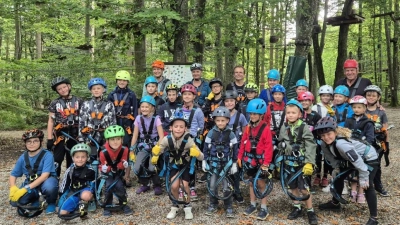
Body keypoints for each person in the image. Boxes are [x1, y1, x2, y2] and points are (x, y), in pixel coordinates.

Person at [315, 117, 379, 225]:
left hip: (368, 158)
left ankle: (374, 217)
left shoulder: (341, 144)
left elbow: (358, 161)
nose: (326, 137)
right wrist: (336, 168)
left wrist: (363, 177)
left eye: (329, 134)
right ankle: (335, 203)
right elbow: (330, 157)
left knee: (367, 185)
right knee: (338, 178)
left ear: (335, 131)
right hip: (352, 159)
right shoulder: (323, 143)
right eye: (323, 136)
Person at [151, 117, 204, 220]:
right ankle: (174, 206)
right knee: (174, 186)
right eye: (176, 127)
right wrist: (155, 152)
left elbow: (201, 156)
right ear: (171, 128)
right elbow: (158, 150)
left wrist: (196, 153)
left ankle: (187, 206)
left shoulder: (188, 140)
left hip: (185, 165)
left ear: (185, 129)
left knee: (184, 186)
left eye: (181, 127)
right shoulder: (167, 139)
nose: (178, 129)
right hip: (174, 165)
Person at [278, 99, 318, 225]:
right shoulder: (284, 127)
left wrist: (309, 162)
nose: (290, 115)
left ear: (300, 114)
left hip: (302, 164)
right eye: (288, 113)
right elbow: (280, 142)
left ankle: (310, 210)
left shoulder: (304, 127)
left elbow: (311, 145)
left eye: (293, 113)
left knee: (304, 188)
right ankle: (297, 207)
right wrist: (280, 160)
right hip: (289, 163)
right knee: (292, 186)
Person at [237, 99, 273, 220]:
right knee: (252, 182)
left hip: (262, 162)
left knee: (261, 183)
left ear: (261, 115)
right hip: (250, 160)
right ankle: (253, 204)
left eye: (255, 114)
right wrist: (239, 157)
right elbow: (243, 142)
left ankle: (264, 207)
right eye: (250, 114)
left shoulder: (265, 129)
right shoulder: (248, 127)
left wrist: (266, 163)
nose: (252, 116)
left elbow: (268, 147)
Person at [9, 129, 58, 215]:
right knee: (14, 202)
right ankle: (35, 198)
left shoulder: (48, 155)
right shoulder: (23, 157)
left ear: (41, 142)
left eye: (35, 141)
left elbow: (45, 176)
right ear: (25, 143)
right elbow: (13, 174)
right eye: (29, 142)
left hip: (45, 181)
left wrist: (26, 188)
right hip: (31, 182)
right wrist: (13, 187)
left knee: (50, 186)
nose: (32, 144)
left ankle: (51, 202)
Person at [202, 106, 238, 218]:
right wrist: (204, 160)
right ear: (214, 121)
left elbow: (235, 149)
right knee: (212, 185)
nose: (220, 123)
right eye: (218, 120)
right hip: (214, 164)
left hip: (226, 165)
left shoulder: (231, 134)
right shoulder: (211, 133)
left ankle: (228, 206)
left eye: (223, 120)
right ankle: (213, 204)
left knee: (226, 187)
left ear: (227, 120)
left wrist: (234, 163)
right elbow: (205, 148)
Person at [47, 77, 83, 178]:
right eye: (59, 89)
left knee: (73, 159)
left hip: (75, 135)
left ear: (69, 86)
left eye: (64, 87)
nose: (63, 90)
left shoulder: (79, 101)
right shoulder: (55, 103)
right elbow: (50, 120)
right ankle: (54, 181)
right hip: (60, 135)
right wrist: (50, 138)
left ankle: (71, 180)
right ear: (57, 91)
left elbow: (84, 118)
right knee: (57, 159)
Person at [174, 84, 205, 199]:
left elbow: (201, 126)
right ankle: (181, 186)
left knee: (191, 164)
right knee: (180, 162)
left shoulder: (197, 111)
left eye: (189, 94)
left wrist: (197, 138)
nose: (187, 96)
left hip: (192, 139)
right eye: (185, 94)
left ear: (193, 96)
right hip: (179, 139)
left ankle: (191, 186)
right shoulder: (178, 109)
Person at [107, 70, 138, 187]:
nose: (122, 82)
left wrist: (134, 127)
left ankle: (127, 175)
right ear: (116, 81)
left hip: (126, 125)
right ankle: (116, 173)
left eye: (124, 80)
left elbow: (135, 110)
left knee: (127, 149)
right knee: (115, 148)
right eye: (120, 80)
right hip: (115, 124)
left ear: (127, 82)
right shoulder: (111, 95)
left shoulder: (131, 95)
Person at [344, 95, 375, 204]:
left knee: (362, 170)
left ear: (365, 108)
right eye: (354, 107)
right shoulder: (349, 120)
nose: (356, 109)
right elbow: (345, 133)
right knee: (352, 170)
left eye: (359, 107)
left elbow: (371, 138)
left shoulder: (368, 123)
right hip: (351, 148)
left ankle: (361, 192)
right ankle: (353, 191)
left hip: (363, 150)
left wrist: (365, 147)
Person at [131, 96, 165, 195]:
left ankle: (157, 184)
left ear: (152, 108)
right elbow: (135, 136)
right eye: (142, 107)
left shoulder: (156, 119)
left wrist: (157, 149)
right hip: (143, 146)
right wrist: (132, 150)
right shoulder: (138, 118)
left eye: (146, 107)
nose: (144, 109)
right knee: (137, 167)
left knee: (152, 167)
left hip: (154, 146)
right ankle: (144, 184)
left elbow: (161, 136)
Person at [99, 125, 133, 216]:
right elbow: (102, 165)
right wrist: (104, 168)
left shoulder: (124, 150)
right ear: (107, 140)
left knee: (120, 186)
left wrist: (123, 165)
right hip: (108, 173)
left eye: (118, 139)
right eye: (112, 139)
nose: (115, 142)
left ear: (122, 139)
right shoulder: (103, 152)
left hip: (118, 172)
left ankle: (123, 203)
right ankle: (107, 205)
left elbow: (123, 162)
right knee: (109, 186)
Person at [78, 78, 116, 159]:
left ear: (103, 89)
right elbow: (82, 122)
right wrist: (81, 139)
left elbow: (113, 122)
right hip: (90, 137)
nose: (96, 90)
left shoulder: (109, 105)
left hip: (105, 136)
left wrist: (113, 138)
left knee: (106, 160)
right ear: (91, 91)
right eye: (93, 89)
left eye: (98, 88)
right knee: (92, 160)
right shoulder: (86, 104)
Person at [364, 85, 390, 197]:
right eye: (368, 95)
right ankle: (364, 186)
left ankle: (378, 185)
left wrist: (387, 144)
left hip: (378, 141)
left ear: (378, 97)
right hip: (364, 141)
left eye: (373, 95)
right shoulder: (361, 109)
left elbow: (385, 128)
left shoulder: (381, 112)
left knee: (376, 164)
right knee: (363, 163)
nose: (371, 97)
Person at [223, 90, 248, 203]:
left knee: (236, 170)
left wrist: (243, 147)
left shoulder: (240, 116)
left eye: (231, 101)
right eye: (227, 101)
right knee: (226, 169)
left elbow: (245, 132)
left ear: (235, 102)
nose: (229, 103)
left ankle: (237, 191)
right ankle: (228, 190)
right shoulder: (221, 114)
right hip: (224, 146)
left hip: (236, 146)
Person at [58, 143, 95, 219]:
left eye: (83, 157)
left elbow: (95, 182)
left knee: (85, 196)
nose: (80, 159)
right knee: (63, 213)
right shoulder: (70, 170)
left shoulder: (90, 169)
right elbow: (65, 183)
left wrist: (94, 193)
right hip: (74, 191)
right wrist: (62, 194)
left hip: (85, 188)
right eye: (77, 157)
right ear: (73, 158)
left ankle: (91, 200)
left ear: (87, 157)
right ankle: (78, 205)